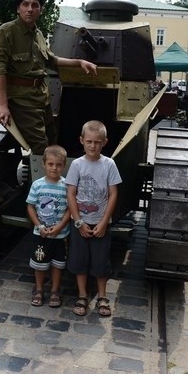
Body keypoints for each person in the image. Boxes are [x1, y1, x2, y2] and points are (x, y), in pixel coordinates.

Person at [0, 0, 98, 154]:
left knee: (52, 139)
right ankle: (45, 179)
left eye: (35, 5)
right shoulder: (7, 31)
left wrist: (79, 62)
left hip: (41, 98)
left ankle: (51, 177)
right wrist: (3, 105)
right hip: (21, 101)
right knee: (41, 147)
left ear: (41, 10)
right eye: (25, 4)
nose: (30, 9)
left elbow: (51, 60)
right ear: (18, 9)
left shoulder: (38, 34)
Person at [66, 121, 122, 317]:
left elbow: (113, 194)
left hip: (101, 222)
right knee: (79, 259)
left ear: (105, 142)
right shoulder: (77, 165)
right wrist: (79, 221)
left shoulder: (109, 165)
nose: (93, 146)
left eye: (97, 142)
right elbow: (71, 194)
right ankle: (82, 295)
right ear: (81, 141)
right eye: (89, 141)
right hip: (80, 222)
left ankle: (102, 296)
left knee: (100, 261)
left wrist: (104, 222)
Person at [25, 145, 71, 308]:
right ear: (43, 164)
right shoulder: (37, 185)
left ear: (64, 166)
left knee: (58, 264)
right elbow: (30, 206)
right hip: (41, 233)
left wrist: (60, 226)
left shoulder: (66, 186)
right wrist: (39, 225)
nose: (54, 168)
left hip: (60, 234)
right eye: (50, 164)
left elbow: (69, 209)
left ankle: (55, 290)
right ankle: (38, 289)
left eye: (58, 164)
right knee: (40, 263)